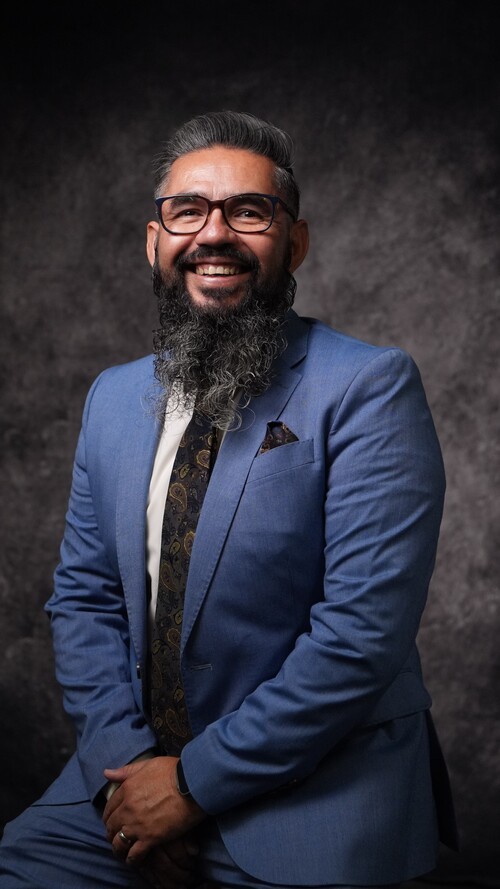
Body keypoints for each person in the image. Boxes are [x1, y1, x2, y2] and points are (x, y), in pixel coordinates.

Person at [0, 110, 458, 889]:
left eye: (249, 211)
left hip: (317, 792)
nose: (214, 234)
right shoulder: (111, 399)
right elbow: (83, 599)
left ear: (294, 243)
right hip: (125, 785)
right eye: (188, 211)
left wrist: (188, 787)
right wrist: (129, 776)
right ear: (155, 241)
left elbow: (360, 636)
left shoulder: (368, 387)